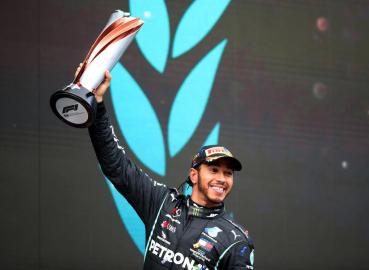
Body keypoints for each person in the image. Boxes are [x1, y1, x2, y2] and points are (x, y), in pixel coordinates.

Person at [86, 68, 254, 270]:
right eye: (214, 170)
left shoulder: (235, 241)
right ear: (194, 175)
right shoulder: (162, 203)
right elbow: (115, 165)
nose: (222, 178)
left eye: (228, 173)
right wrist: (97, 104)